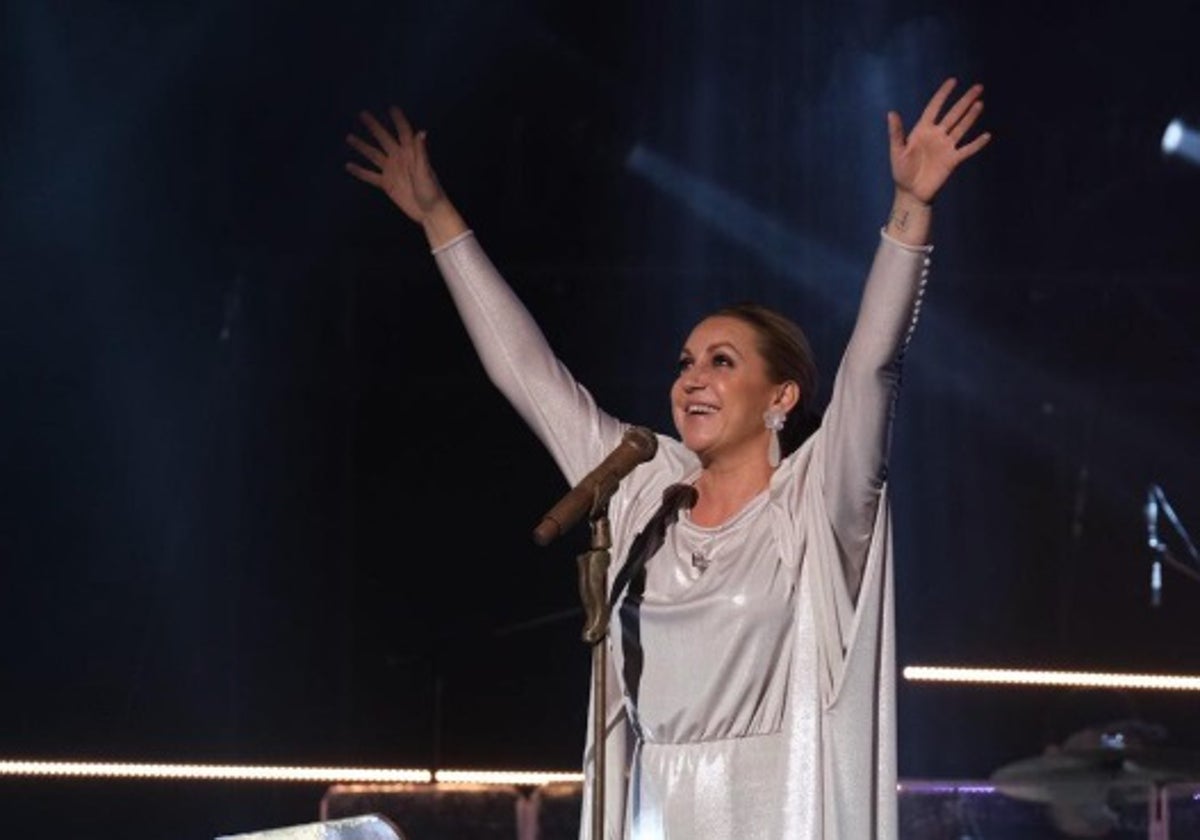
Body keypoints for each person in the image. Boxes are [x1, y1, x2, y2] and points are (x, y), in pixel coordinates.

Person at [345, 76, 990, 840]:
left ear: (781, 397)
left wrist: (911, 210)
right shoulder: (642, 485)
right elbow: (527, 374)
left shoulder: (817, 499)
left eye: (721, 362)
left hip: (773, 808)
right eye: (685, 362)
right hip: (653, 808)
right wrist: (436, 218)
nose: (692, 378)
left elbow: (872, 366)